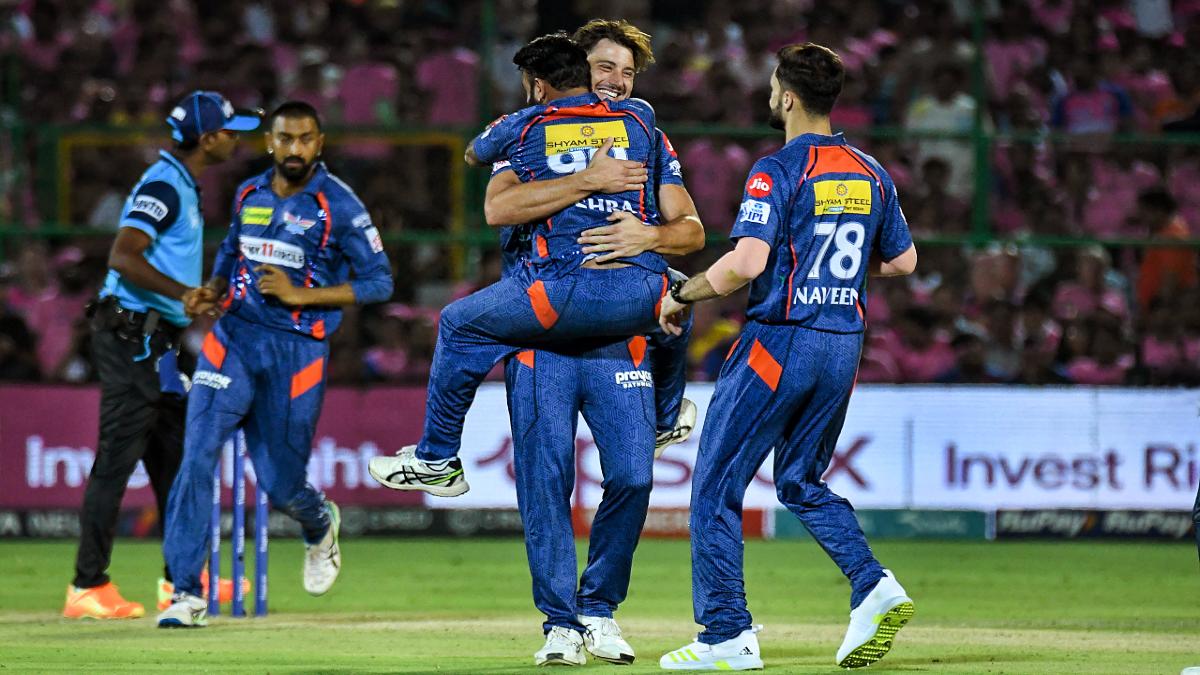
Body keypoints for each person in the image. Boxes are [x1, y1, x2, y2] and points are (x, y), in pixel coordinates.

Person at [656, 43, 918, 671]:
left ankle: (726, 636)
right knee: (800, 479)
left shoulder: (777, 169)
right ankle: (872, 584)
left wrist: (681, 294)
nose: (770, 94)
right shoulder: (871, 171)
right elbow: (905, 261)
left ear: (788, 96)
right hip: (842, 344)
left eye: (774, 85)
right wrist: (833, 272)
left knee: (716, 485)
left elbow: (745, 264)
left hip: (780, 343)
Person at [473, 22, 706, 666]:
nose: (617, 84)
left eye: (628, 74)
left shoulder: (644, 136)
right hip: (540, 336)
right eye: (605, 69)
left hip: (616, 336)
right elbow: (498, 209)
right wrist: (586, 181)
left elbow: (691, 230)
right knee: (545, 483)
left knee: (632, 477)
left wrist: (649, 238)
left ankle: (599, 610)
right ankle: (559, 624)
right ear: (576, 72)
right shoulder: (528, 133)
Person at [367, 35, 671, 496]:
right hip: (642, 285)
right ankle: (667, 417)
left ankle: (436, 460)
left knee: (457, 324)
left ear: (537, 84)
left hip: (563, 286)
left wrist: (557, 158)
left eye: (626, 72)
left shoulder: (525, 125)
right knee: (683, 293)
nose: (617, 81)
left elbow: (476, 159)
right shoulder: (640, 118)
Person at [157, 101, 393, 627]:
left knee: (280, 484)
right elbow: (231, 250)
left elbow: (380, 282)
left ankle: (318, 522)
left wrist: (301, 296)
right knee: (196, 454)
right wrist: (215, 287)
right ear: (270, 142)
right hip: (233, 339)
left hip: (297, 351)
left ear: (319, 143)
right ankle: (186, 593)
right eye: (285, 138)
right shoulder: (249, 192)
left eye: (305, 139)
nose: (294, 148)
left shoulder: (340, 204)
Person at [62, 91, 260, 621]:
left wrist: (191, 297)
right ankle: (87, 585)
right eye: (230, 132)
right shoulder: (163, 185)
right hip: (133, 339)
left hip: (158, 343)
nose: (236, 140)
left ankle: (182, 579)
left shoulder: (183, 184)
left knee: (176, 459)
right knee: (116, 461)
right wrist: (183, 294)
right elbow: (123, 256)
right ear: (207, 138)